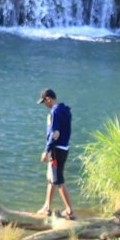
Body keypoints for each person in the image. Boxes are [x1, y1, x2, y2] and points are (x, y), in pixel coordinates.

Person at [37, 87, 74, 219]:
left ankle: (70, 211)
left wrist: (46, 150)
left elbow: (55, 133)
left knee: (58, 180)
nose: (44, 105)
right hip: (64, 147)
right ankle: (46, 207)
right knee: (52, 179)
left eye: (44, 102)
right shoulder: (64, 109)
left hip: (56, 149)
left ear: (48, 99)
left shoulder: (55, 111)